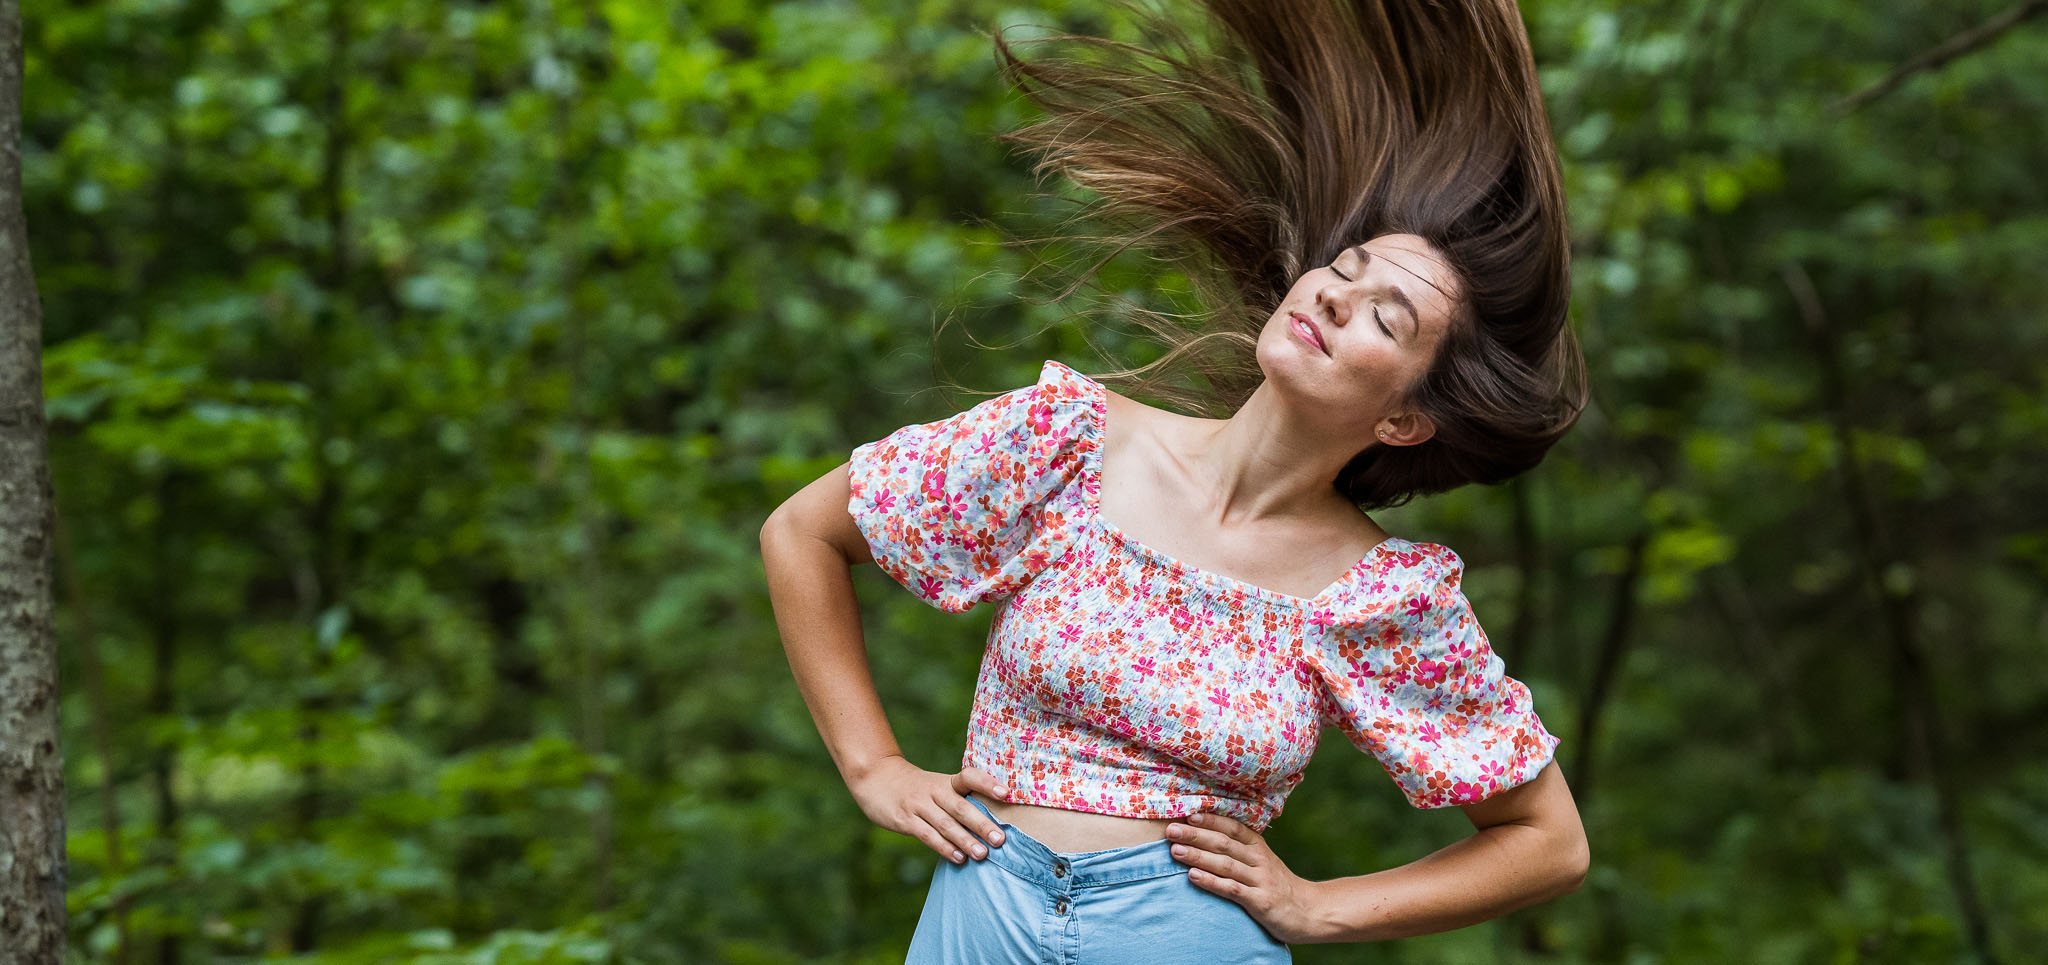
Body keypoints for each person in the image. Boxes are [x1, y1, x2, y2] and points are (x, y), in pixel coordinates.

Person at [760, 0, 1591, 958]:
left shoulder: (1379, 600)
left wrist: (1319, 906)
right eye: (1345, 267)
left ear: (1402, 419)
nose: (1333, 291)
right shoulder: (1066, 446)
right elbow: (804, 532)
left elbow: (1549, 842)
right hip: (980, 920)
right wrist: (874, 767)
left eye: (1384, 317)